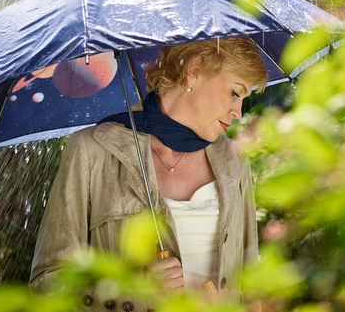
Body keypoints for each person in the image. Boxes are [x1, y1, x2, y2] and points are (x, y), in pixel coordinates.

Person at [30, 36, 268, 311]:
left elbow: (250, 285)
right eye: (235, 93)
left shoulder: (234, 161)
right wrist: (135, 291)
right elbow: (47, 282)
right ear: (195, 69)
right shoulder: (92, 150)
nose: (238, 112)